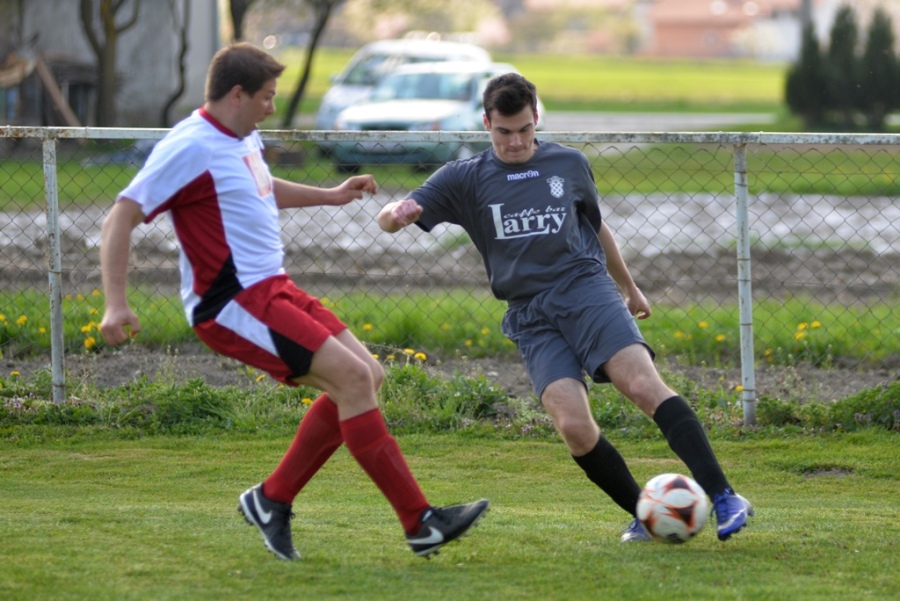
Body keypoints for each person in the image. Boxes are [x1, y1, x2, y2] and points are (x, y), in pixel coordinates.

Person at [99, 42, 488, 561]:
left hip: (273, 287)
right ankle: (419, 522)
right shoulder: (190, 146)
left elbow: (261, 187)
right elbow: (120, 216)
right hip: (231, 303)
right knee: (352, 380)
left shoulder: (242, 135)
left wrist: (330, 194)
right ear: (237, 95)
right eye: (266, 96)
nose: (272, 107)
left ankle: (273, 497)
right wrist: (115, 303)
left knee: (368, 376)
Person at [376, 73, 752, 543]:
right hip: (529, 313)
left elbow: (595, 226)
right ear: (486, 124)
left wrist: (630, 288)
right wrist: (395, 215)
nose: (515, 142)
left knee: (641, 384)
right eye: (503, 132)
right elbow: (389, 217)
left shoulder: (569, 163)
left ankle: (724, 496)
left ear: (536, 118)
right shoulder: (463, 178)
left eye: (524, 130)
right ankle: (647, 514)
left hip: (585, 288)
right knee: (573, 426)